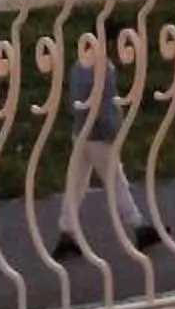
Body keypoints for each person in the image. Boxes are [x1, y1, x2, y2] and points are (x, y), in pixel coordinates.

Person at [54, 23, 167, 259]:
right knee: (116, 181)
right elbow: (104, 107)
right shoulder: (104, 68)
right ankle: (138, 227)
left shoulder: (78, 65)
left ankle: (66, 232)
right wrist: (114, 133)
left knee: (76, 183)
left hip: (80, 133)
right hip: (99, 137)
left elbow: (73, 101)